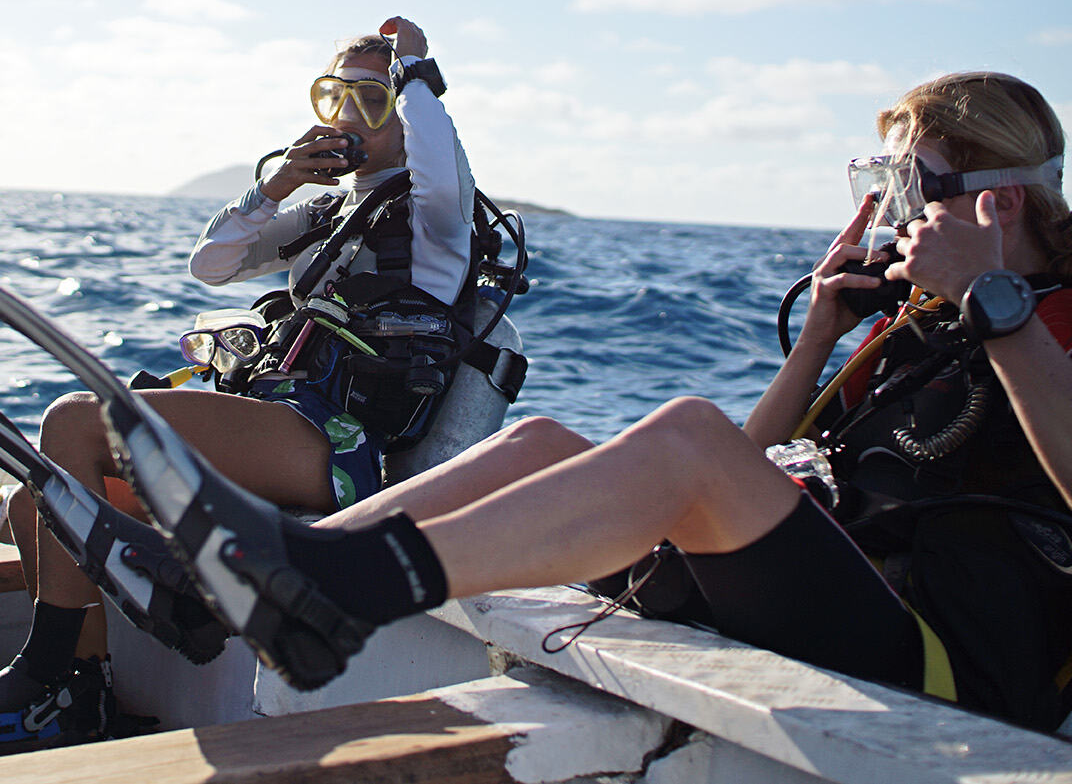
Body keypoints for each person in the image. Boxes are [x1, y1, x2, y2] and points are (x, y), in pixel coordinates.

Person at [182, 71, 1070, 731]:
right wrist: (820, 337)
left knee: (685, 433)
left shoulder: (1022, 321)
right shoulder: (924, 328)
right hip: (818, 590)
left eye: (910, 187)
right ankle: (273, 571)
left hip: (942, 662)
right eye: (884, 185)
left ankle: (345, 586)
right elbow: (747, 471)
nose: (892, 214)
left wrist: (994, 305)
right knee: (540, 441)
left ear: (996, 203)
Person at [0, 16, 482, 739]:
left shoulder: (437, 222)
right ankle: (83, 692)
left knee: (73, 422)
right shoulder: (325, 214)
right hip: (276, 418)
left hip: (336, 447)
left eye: (373, 102)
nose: (348, 117)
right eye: (334, 97)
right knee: (42, 505)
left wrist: (416, 71)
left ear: (405, 116)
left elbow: (443, 169)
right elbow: (211, 263)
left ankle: (45, 664)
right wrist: (276, 186)